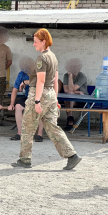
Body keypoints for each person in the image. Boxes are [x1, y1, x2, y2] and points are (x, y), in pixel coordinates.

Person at [11, 28, 82, 170]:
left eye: (36, 42)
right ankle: (72, 156)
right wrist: (55, 99)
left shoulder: (42, 58)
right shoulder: (53, 56)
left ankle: (25, 160)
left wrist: (37, 101)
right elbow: (55, 80)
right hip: (50, 95)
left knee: (27, 128)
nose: (34, 44)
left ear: (44, 42)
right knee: (53, 128)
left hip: (40, 94)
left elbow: (41, 81)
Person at [8, 70, 44, 142]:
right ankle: (20, 133)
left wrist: (25, 82)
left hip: (40, 97)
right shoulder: (21, 74)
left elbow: (39, 82)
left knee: (39, 108)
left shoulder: (39, 72)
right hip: (28, 97)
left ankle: (39, 134)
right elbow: (15, 89)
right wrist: (11, 104)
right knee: (18, 106)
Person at [62, 59, 88, 130]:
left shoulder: (82, 77)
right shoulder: (66, 75)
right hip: (72, 99)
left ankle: (70, 120)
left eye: (75, 66)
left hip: (82, 100)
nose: (73, 68)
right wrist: (78, 92)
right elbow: (66, 90)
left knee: (69, 94)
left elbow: (71, 89)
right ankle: (70, 119)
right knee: (69, 95)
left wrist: (74, 91)